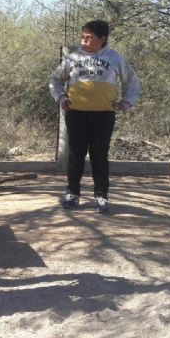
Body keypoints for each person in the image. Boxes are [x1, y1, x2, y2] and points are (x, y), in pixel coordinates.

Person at [49, 19, 141, 213]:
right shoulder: (72, 58)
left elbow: (132, 82)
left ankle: (101, 196)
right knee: (76, 155)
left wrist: (126, 102)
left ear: (102, 39)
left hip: (103, 116)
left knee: (99, 156)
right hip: (76, 115)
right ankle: (72, 194)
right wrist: (61, 98)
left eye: (89, 38)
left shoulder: (115, 58)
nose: (83, 41)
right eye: (82, 37)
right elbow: (55, 80)